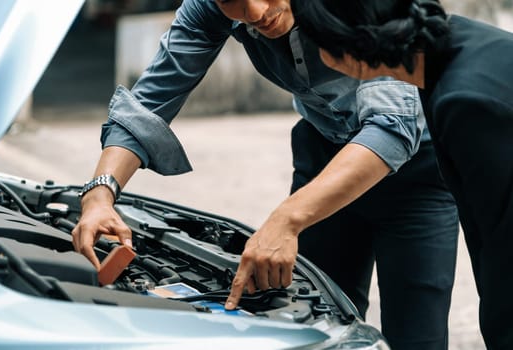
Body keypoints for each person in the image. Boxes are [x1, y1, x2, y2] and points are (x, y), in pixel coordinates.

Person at [71, 1, 459, 348]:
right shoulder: (211, 6)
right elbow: (148, 102)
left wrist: (286, 219)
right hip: (323, 154)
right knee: (312, 326)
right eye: (232, 2)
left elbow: (392, 126)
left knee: (416, 336)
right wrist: (100, 194)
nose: (255, 14)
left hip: (418, 174)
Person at [291, 0, 513, 349]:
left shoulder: (465, 100)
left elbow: (504, 247)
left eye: (314, 42)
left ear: (342, 50)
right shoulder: (454, 48)